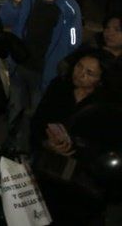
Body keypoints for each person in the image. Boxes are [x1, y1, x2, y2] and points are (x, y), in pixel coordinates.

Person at [0, 0, 82, 152]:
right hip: (20, 64)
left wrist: (59, 65)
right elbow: (4, 17)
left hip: (45, 71)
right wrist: (14, 3)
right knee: (14, 108)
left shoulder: (69, 8)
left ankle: (27, 151)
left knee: (34, 115)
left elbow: (73, 42)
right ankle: (9, 148)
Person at [30, 48, 115, 225]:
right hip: (48, 170)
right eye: (79, 66)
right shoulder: (59, 86)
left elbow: (106, 145)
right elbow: (38, 121)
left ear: (100, 80)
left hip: (80, 182)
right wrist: (46, 143)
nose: (80, 74)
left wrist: (75, 146)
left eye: (89, 73)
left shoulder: (107, 106)